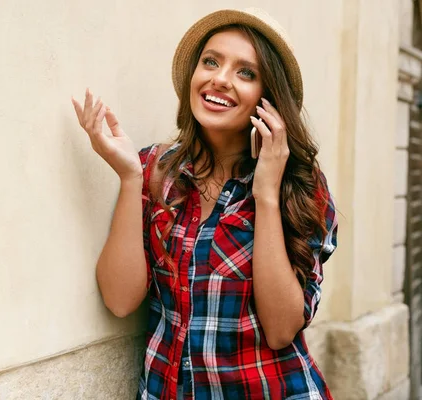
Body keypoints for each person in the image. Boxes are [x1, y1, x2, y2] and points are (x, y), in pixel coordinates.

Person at [72, 7, 338, 400]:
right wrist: (130, 177)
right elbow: (120, 299)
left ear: (269, 98)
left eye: (246, 72)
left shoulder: (298, 184)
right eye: (211, 61)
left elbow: (282, 329)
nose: (220, 79)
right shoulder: (155, 171)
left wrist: (265, 194)